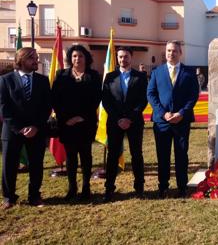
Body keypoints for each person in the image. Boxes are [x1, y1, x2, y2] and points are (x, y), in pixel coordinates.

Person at [147, 40, 199, 198]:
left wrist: (181, 113)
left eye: (174, 51)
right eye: (169, 51)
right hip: (162, 122)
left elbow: (193, 95)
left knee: (181, 154)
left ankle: (182, 186)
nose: (171, 53)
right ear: (165, 52)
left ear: (180, 53)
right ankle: (163, 187)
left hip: (181, 121)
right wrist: (163, 113)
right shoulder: (157, 72)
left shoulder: (189, 72)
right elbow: (151, 94)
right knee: (163, 155)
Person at [0, 48, 51, 209]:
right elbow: (3, 108)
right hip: (12, 131)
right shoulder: (5, 80)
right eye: (32, 59)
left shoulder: (43, 81)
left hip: (36, 130)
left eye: (37, 58)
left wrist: (35, 126)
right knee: (9, 165)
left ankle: (34, 196)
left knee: (36, 164)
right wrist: (20, 128)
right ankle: (9, 197)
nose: (36, 61)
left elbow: (46, 107)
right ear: (21, 60)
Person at [52, 45, 102, 201]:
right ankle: (72, 188)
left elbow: (96, 99)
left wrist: (82, 117)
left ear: (86, 58)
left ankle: (86, 187)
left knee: (86, 156)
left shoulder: (93, 76)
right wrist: (67, 118)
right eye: (74, 56)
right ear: (70, 58)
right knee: (71, 158)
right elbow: (55, 99)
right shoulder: (61, 75)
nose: (77, 59)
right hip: (67, 124)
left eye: (80, 56)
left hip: (86, 123)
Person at [102, 47, 148, 202]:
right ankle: (109, 188)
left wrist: (129, 118)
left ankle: (139, 187)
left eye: (126, 56)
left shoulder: (140, 77)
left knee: (137, 155)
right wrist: (118, 119)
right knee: (112, 156)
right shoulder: (109, 77)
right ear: (117, 58)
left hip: (134, 122)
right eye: (120, 57)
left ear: (131, 57)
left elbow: (143, 100)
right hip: (115, 123)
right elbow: (106, 101)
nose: (123, 59)